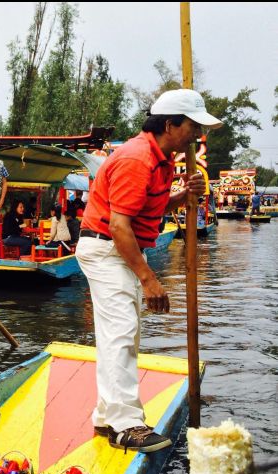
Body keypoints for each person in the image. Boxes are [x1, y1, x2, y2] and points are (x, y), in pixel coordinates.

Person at [75, 89, 220, 453]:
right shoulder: (138, 158)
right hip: (107, 249)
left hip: (118, 250)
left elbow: (144, 207)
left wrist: (181, 196)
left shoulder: (160, 160)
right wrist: (149, 278)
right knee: (121, 332)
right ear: (170, 125)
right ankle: (125, 426)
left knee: (122, 334)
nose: (198, 135)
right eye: (193, 126)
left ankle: (107, 415)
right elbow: (119, 226)